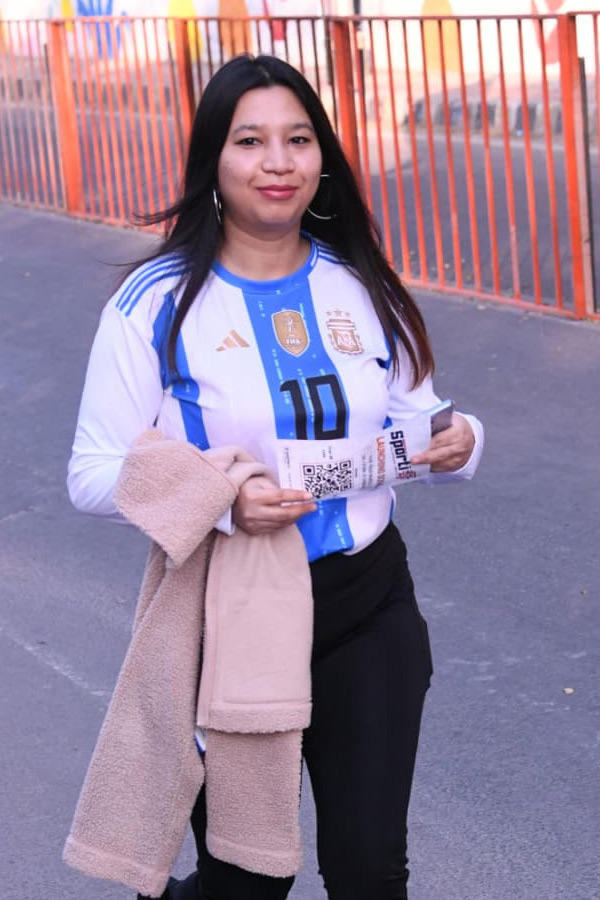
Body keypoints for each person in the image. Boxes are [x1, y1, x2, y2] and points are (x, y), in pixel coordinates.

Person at [67, 54, 483, 900]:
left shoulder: (360, 285)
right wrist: (221, 501)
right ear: (213, 163)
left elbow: (420, 422)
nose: (278, 161)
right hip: (236, 614)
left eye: (298, 139)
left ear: (322, 157)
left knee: (371, 874)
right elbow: (91, 472)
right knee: (244, 883)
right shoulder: (156, 302)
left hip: (368, 606)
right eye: (250, 140)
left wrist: (462, 439)